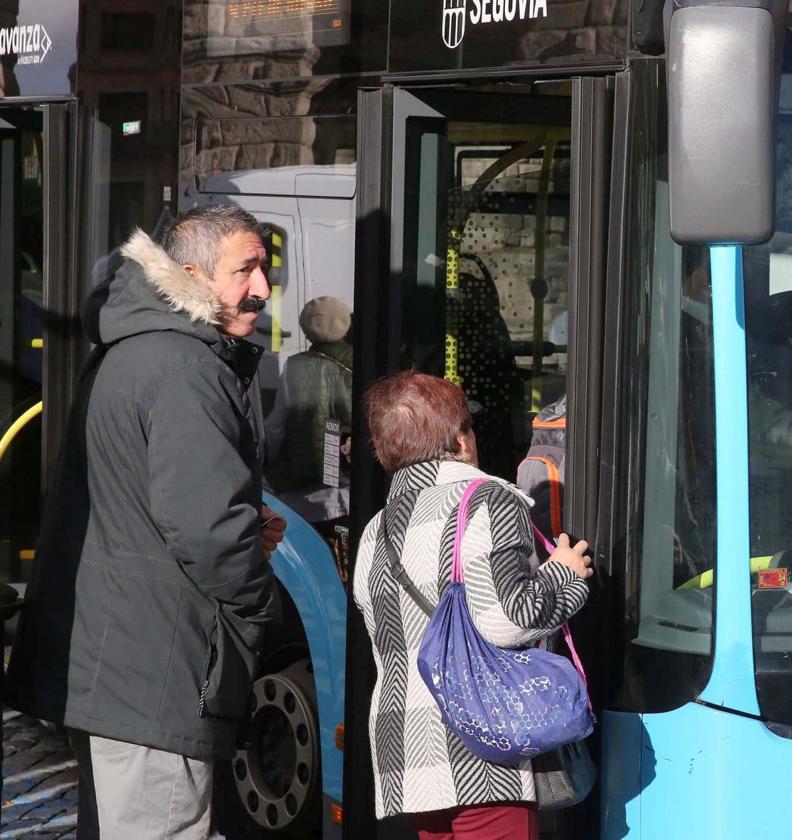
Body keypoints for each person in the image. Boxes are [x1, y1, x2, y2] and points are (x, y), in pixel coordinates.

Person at [5, 205, 285, 840]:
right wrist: (258, 602)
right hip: (154, 670)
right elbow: (209, 532)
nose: (264, 289)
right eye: (246, 269)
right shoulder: (187, 367)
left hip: (121, 665)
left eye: (265, 269)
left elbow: (146, 503)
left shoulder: (139, 347)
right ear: (190, 274)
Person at [353, 371, 591, 840]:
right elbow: (510, 619)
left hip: (410, 754)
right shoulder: (487, 500)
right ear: (461, 439)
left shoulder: (374, 530)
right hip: (482, 753)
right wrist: (567, 573)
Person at [265, 295, 354, 523]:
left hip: (307, 486)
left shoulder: (294, 365)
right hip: (351, 484)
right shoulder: (363, 360)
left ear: (306, 330)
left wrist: (268, 461)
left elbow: (276, 426)